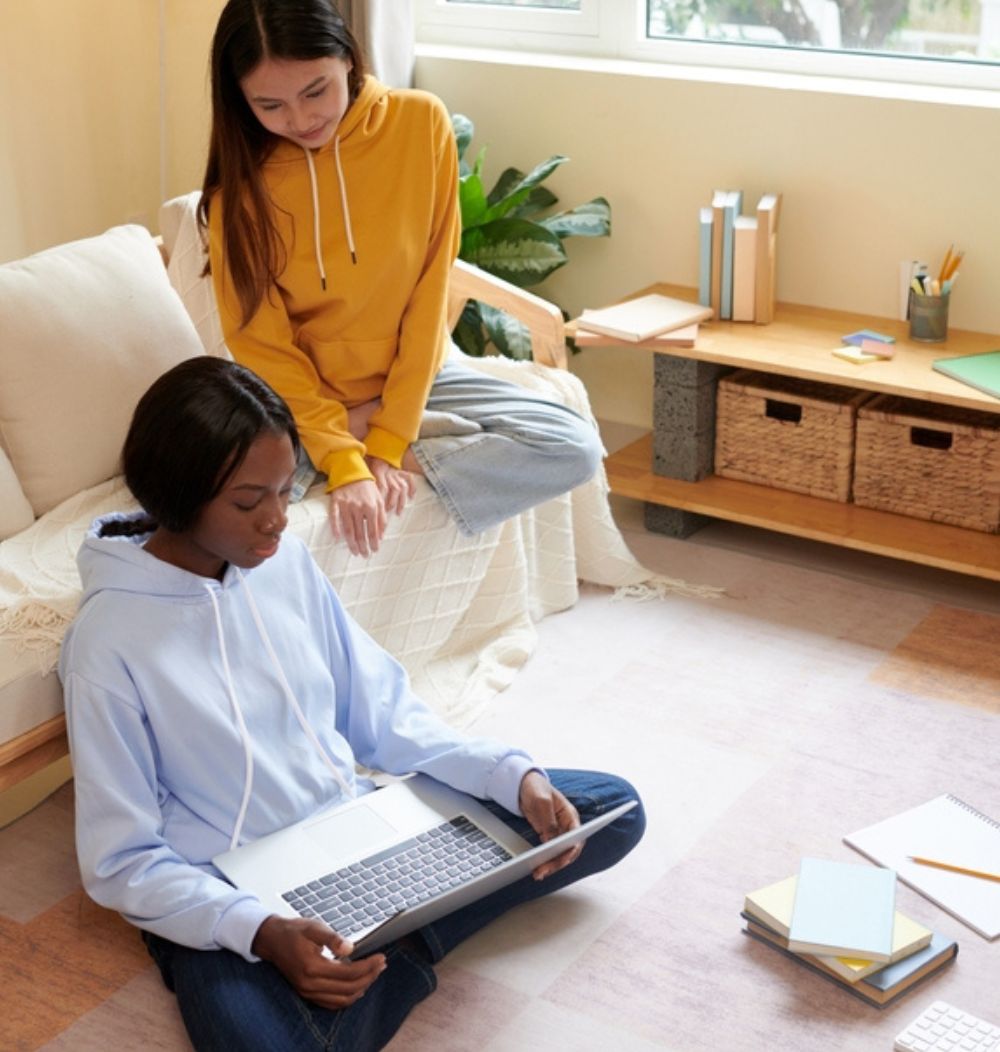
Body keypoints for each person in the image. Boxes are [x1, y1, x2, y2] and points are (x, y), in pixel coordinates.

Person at [60, 357, 644, 1052]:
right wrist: (260, 932)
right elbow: (120, 861)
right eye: (250, 502)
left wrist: (512, 777)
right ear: (179, 495)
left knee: (607, 811)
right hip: (232, 892)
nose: (279, 520)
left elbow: (384, 716)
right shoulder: (106, 646)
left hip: (359, 834)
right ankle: (409, 934)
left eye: (284, 490)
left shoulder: (284, 563)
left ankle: (388, 938)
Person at [200, 0, 604, 559]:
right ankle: (343, 435)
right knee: (216, 512)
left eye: (315, 90)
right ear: (241, 101)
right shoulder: (239, 192)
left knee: (572, 446)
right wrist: (342, 458)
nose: (299, 119)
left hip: (414, 379)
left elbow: (428, 289)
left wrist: (387, 442)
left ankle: (368, 428)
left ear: (347, 57)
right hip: (297, 402)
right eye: (270, 104)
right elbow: (261, 345)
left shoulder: (420, 124)